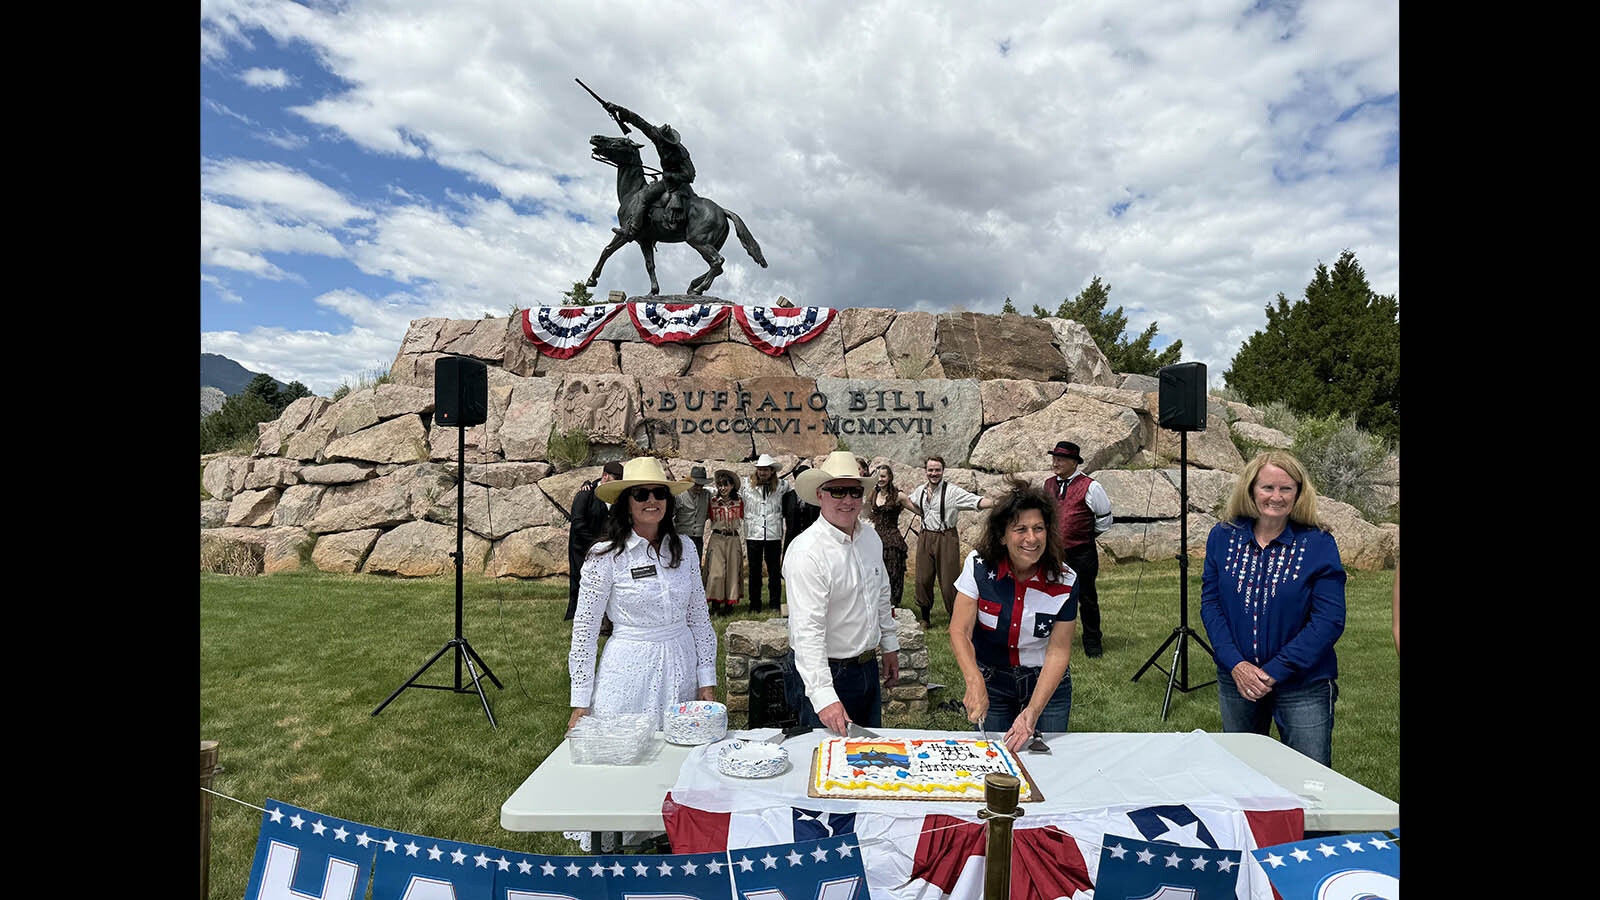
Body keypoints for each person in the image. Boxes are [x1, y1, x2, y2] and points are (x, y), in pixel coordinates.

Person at [1199, 450, 1346, 767]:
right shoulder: (1223, 536)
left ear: (1299, 493)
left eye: (1286, 489)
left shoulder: (1318, 543)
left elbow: (1329, 621)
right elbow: (1211, 605)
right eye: (1267, 487)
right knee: (1242, 772)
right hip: (1237, 679)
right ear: (1251, 489)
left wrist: (1273, 671)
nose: (1276, 497)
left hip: (1303, 683)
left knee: (1311, 778)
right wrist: (1235, 664)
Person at [568, 455, 718, 732]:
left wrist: (706, 679)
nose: (652, 500)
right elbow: (585, 630)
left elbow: (699, 619)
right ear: (626, 501)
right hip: (629, 669)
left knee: (680, 754)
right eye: (641, 494)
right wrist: (580, 699)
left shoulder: (684, 549)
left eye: (659, 493)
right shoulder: (606, 556)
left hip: (681, 664)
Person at [949, 478, 1078, 752]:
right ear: (1002, 535)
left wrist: (1033, 710)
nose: (1031, 538)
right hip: (992, 681)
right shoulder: (978, 566)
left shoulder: (1066, 580)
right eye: (1020, 529)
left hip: (1046, 682)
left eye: (1038, 529)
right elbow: (959, 631)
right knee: (994, 758)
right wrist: (974, 682)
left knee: (1049, 762)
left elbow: (1058, 651)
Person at [781, 451, 901, 735]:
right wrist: (824, 696)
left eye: (855, 491)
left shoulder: (870, 538)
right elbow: (807, 630)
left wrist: (890, 644)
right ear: (820, 495)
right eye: (837, 491)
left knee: (869, 758)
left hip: (867, 668)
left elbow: (881, 593)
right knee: (824, 765)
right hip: (826, 673)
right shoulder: (807, 552)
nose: (847, 500)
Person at [905, 455, 997, 628]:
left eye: (937, 470)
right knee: (922, 578)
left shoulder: (953, 492)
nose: (934, 473)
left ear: (943, 471)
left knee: (949, 580)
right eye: (930, 470)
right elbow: (910, 503)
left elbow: (976, 501)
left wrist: (997, 503)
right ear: (925, 471)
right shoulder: (921, 491)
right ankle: (925, 618)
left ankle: (955, 618)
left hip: (946, 537)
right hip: (926, 536)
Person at [1043, 441, 1114, 657]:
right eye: (1054, 458)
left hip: (1081, 553)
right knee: (1049, 595)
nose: (1056, 463)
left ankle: (1093, 643)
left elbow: (1104, 519)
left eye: (1061, 459)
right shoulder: (1047, 485)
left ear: (1074, 462)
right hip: (1053, 552)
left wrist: (1084, 536)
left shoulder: (1091, 486)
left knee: (1087, 598)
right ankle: (1047, 640)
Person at [603, 101, 696, 236]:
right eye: (661, 140)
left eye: (665, 142)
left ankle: (632, 229)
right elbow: (640, 123)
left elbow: (690, 175)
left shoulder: (681, 153)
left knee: (644, 197)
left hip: (678, 184)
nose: (662, 144)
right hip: (667, 180)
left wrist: (670, 175)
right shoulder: (658, 137)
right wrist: (619, 110)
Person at [566, 461, 623, 621]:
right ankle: (578, 616)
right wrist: (595, 543)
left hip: (607, 548)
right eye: (615, 478)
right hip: (582, 547)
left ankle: (605, 617)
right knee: (581, 581)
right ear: (605, 476)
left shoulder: (618, 497)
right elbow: (578, 522)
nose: (618, 482)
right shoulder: (585, 494)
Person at [740, 454, 791, 614]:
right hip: (753, 534)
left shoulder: (783, 486)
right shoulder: (746, 485)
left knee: (774, 571)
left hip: (773, 534)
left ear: (772, 471)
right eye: (760, 470)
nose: (762, 473)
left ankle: (775, 603)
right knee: (754, 572)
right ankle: (754, 604)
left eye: (766, 470)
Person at [867, 464, 911, 609]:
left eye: (883, 476)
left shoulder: (899, 495)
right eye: (878, 476)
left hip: (892, 540)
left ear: (890, 477)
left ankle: (893, 605)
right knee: (875, 573)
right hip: (875, 538)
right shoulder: (872, 493)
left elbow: (917, 509)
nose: (880, 479)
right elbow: (864, 510)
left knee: (893, 573)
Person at [704, 469, 745, 615]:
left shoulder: (739, 501)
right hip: (717, 538)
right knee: (717, 572)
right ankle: (715, 603)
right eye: (720, 485)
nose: (723, 488)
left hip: (733, 538)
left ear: (732, 486)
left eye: (726, 485)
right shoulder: (713, 502)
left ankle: (729, 604)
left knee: (732, 571)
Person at [781, 463, 820, 557]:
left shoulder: (817, 497)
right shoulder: (788, 496)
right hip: (791, 538)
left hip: (812, 538)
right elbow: (783, 513)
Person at [674, 465, 712, 557]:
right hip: (681, 538)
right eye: (696, 485)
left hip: (698, 539)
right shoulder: (680, 495)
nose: (699, 488)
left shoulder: (707, 495)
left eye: (701, 485)